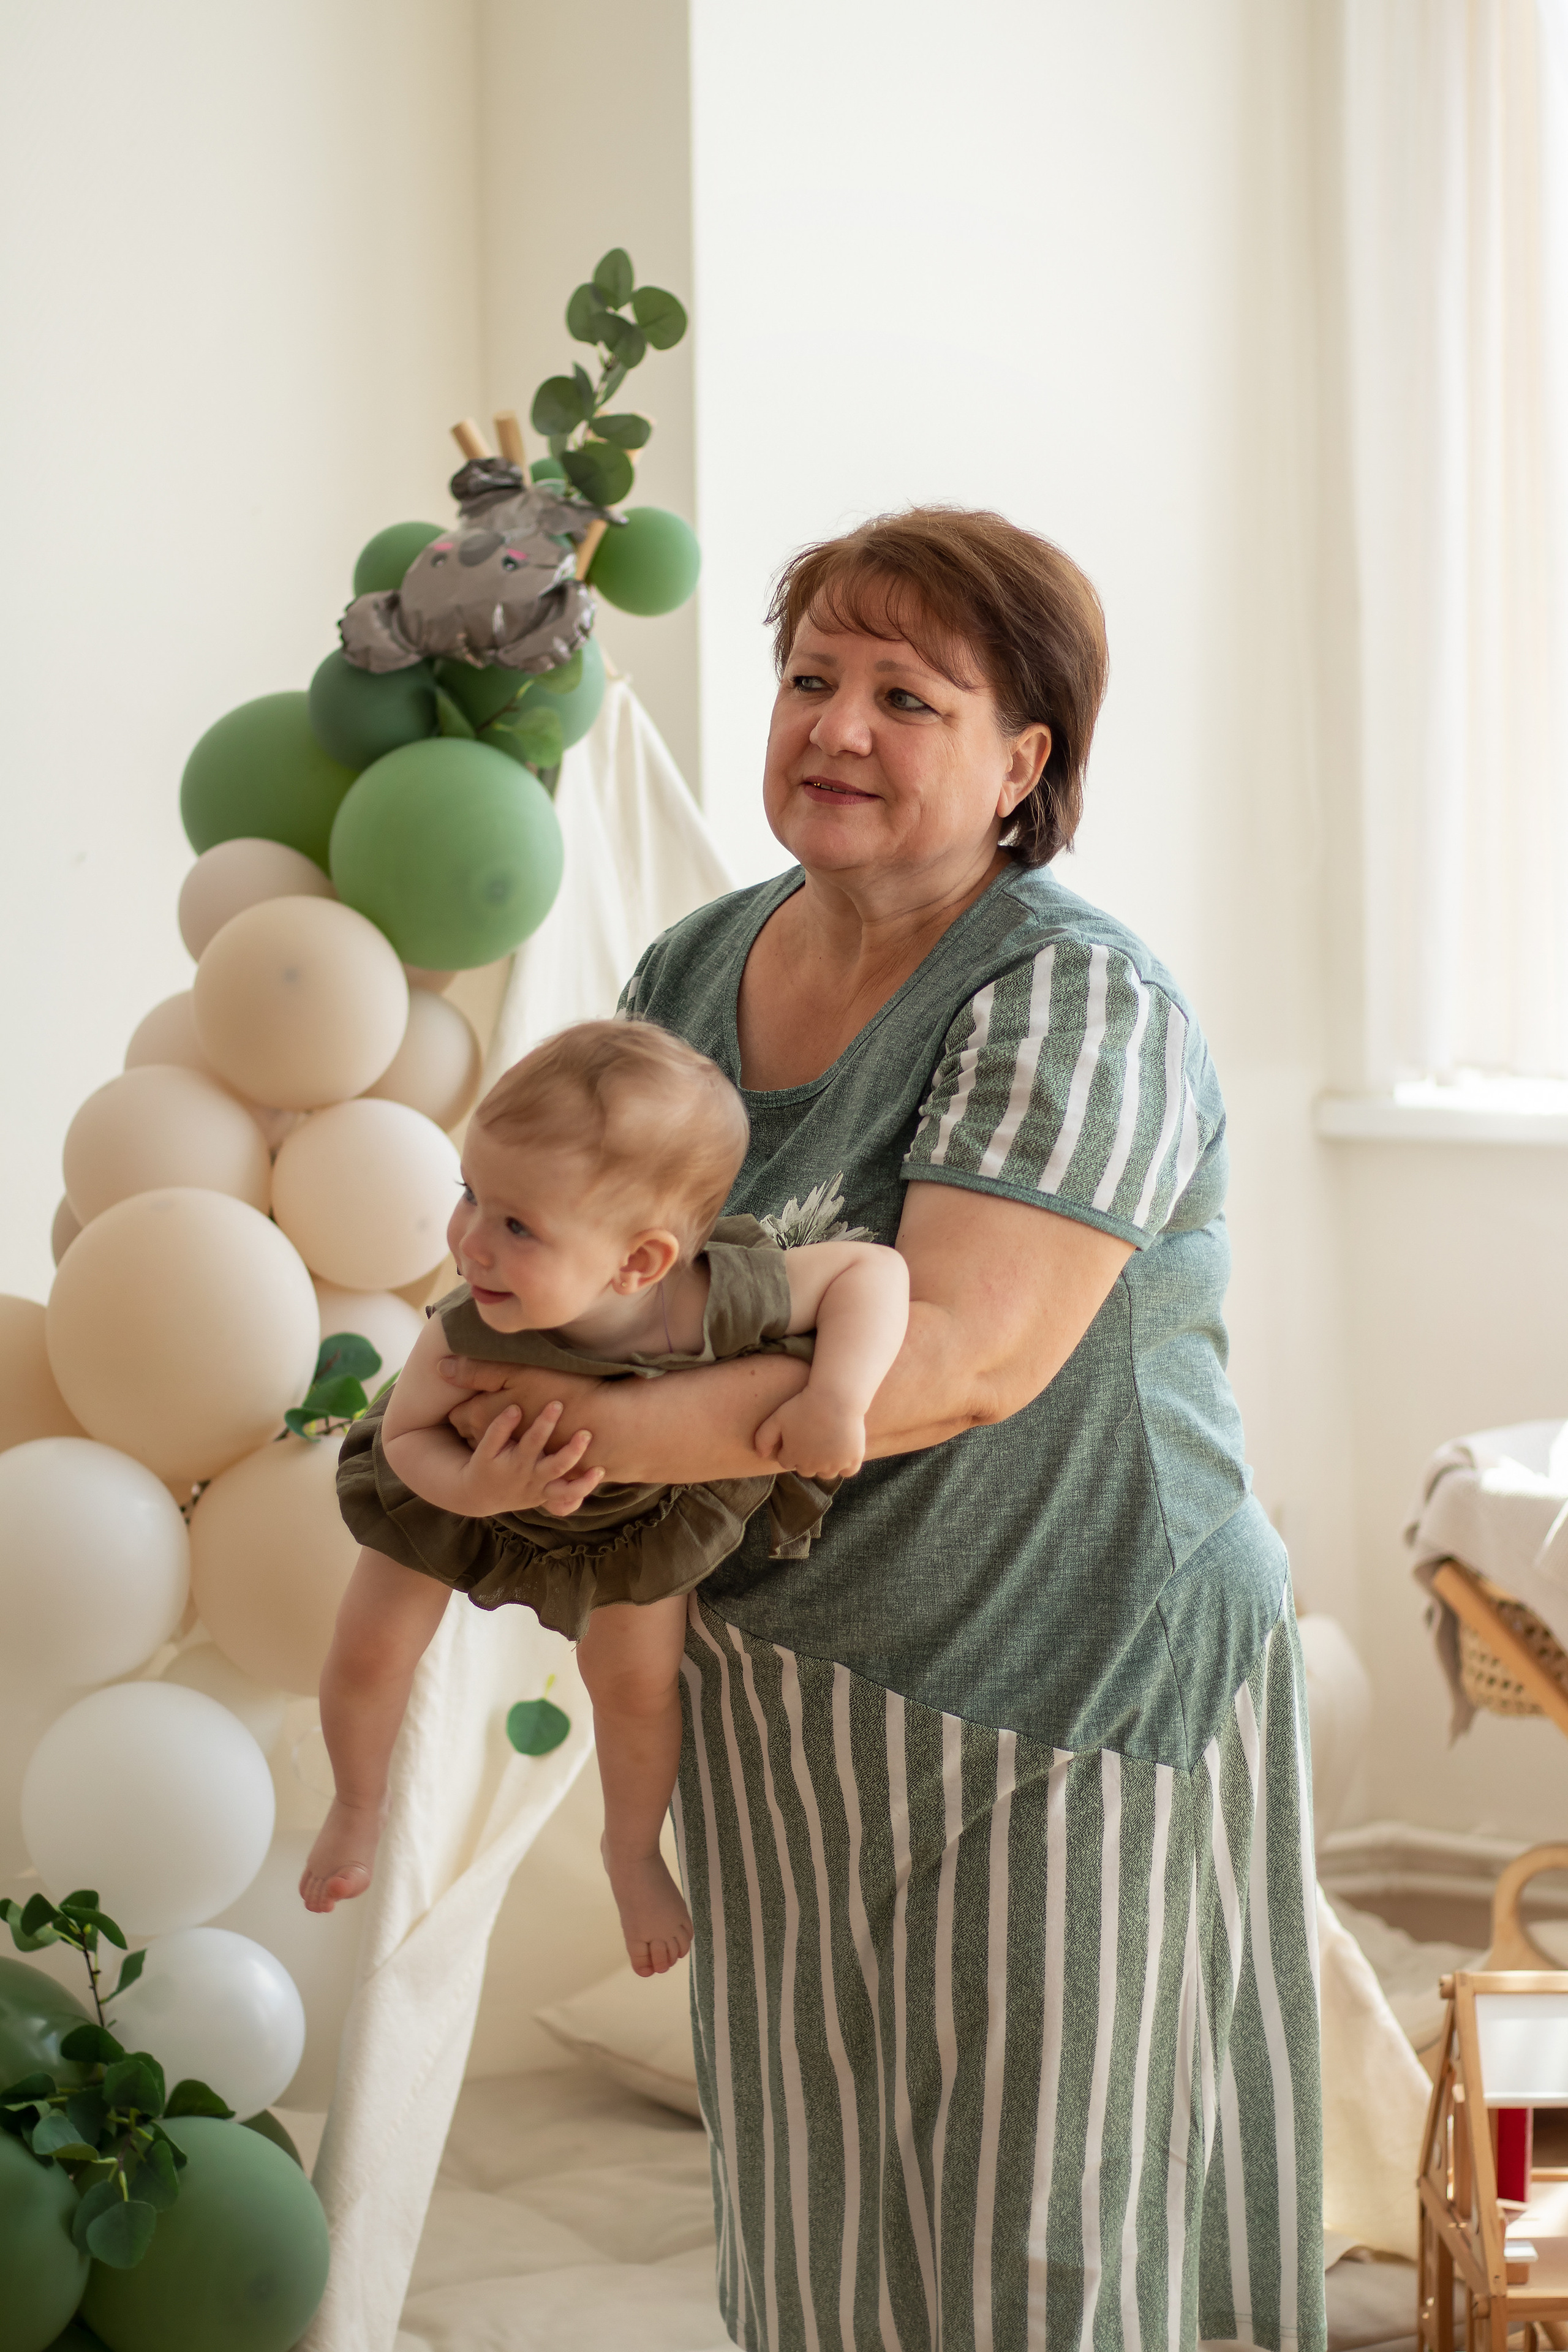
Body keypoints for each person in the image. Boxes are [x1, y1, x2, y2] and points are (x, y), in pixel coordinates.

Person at [435, 507, 1325, 2352]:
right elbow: (595, 1290)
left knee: (1047, 2248)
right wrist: (477, 1432)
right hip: (787, 1699)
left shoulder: (1073, 994)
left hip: (1065, 1673)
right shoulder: (692, 970)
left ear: (1025, 765)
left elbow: (958, 1365)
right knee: (823, 2235)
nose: (832, 726)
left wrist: (551, 1438)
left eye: (906, 696)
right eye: (809, 678)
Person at [298, 1020, 909, 1978]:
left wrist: (838, 1395)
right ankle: (356, 1804)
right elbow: (408, 1438)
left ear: (639, 1264)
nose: (469, 1242)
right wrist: (474, 1484)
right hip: (456, 1490)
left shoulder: (710, 1299)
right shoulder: (469, 1327)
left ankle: (630, 1853)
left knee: (632, 1689)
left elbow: (874, 1273)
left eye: (516, 1225)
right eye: (471, 1196)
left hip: (630, 1519)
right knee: (371, 1648)